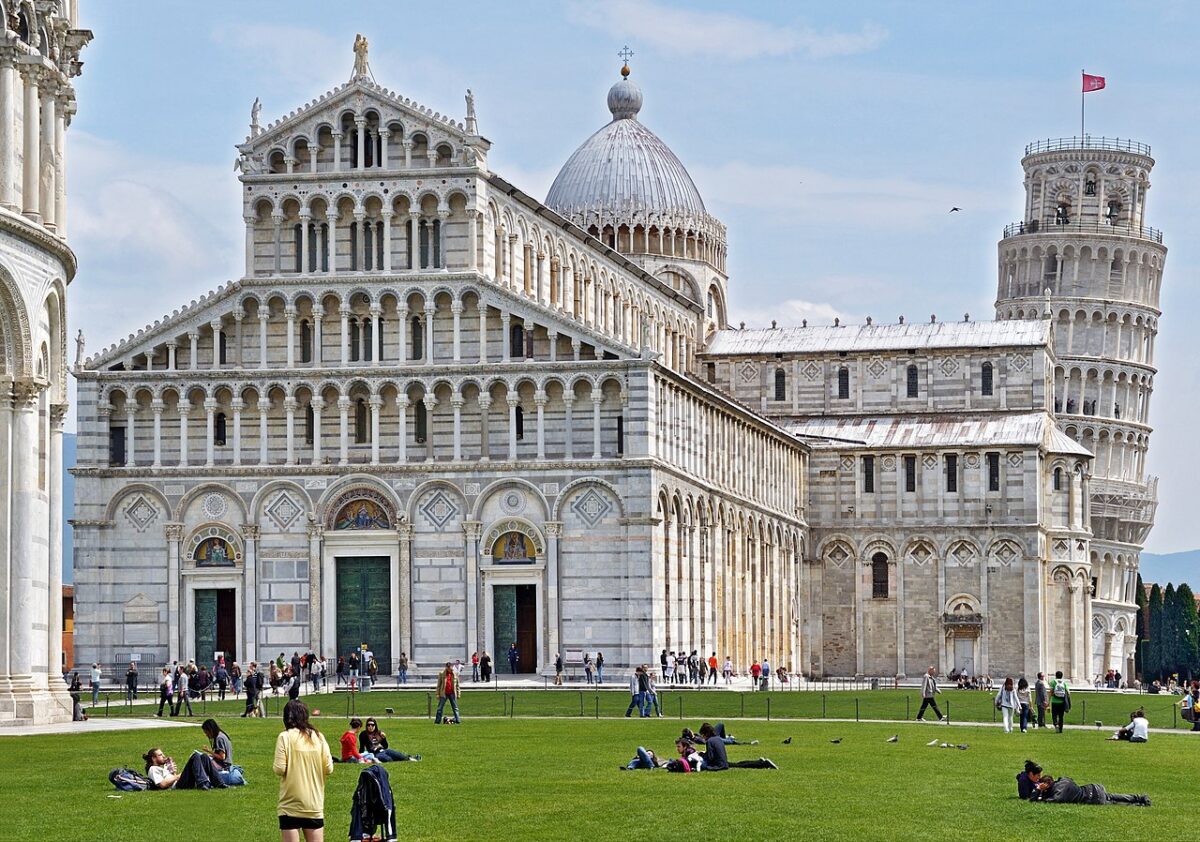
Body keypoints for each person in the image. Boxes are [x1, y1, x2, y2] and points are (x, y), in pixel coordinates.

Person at [274, 700, 334, 841]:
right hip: (313, 804)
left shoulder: (285, 737)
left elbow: (279, 769)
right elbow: (329, 768)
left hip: (290, 804)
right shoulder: (318, 737)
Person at [1032, 775, 1150, 807]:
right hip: (1095, 787)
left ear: (1046, 785)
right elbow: (1068, 779)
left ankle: (1137, 804)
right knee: (1111, 796)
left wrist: (1038, 790)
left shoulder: (1058, 792)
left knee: (1112, 802)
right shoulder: (1063, 780)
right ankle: (1139, 797)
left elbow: (1052, 800)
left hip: (1092, 797)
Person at [697, 724, 777, 770]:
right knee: (739, 764)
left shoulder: (710, 741)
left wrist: (702, 755)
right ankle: (760, 762)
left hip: (719, 765)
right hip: (723, 762)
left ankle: (763, 764)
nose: (703, 737)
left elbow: (710, 758)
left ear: (706, 734)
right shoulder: (718, 738)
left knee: (740, 765)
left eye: (703, 735)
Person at [200, 719, 242, 786]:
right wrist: (211, 755)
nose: (206, 735)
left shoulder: (219, 738)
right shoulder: (222, 735)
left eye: (206, 732)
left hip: (224, 765)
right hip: (224, 764)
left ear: (210, 730)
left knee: (200, 763)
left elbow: (222, 757)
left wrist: (209, 751)